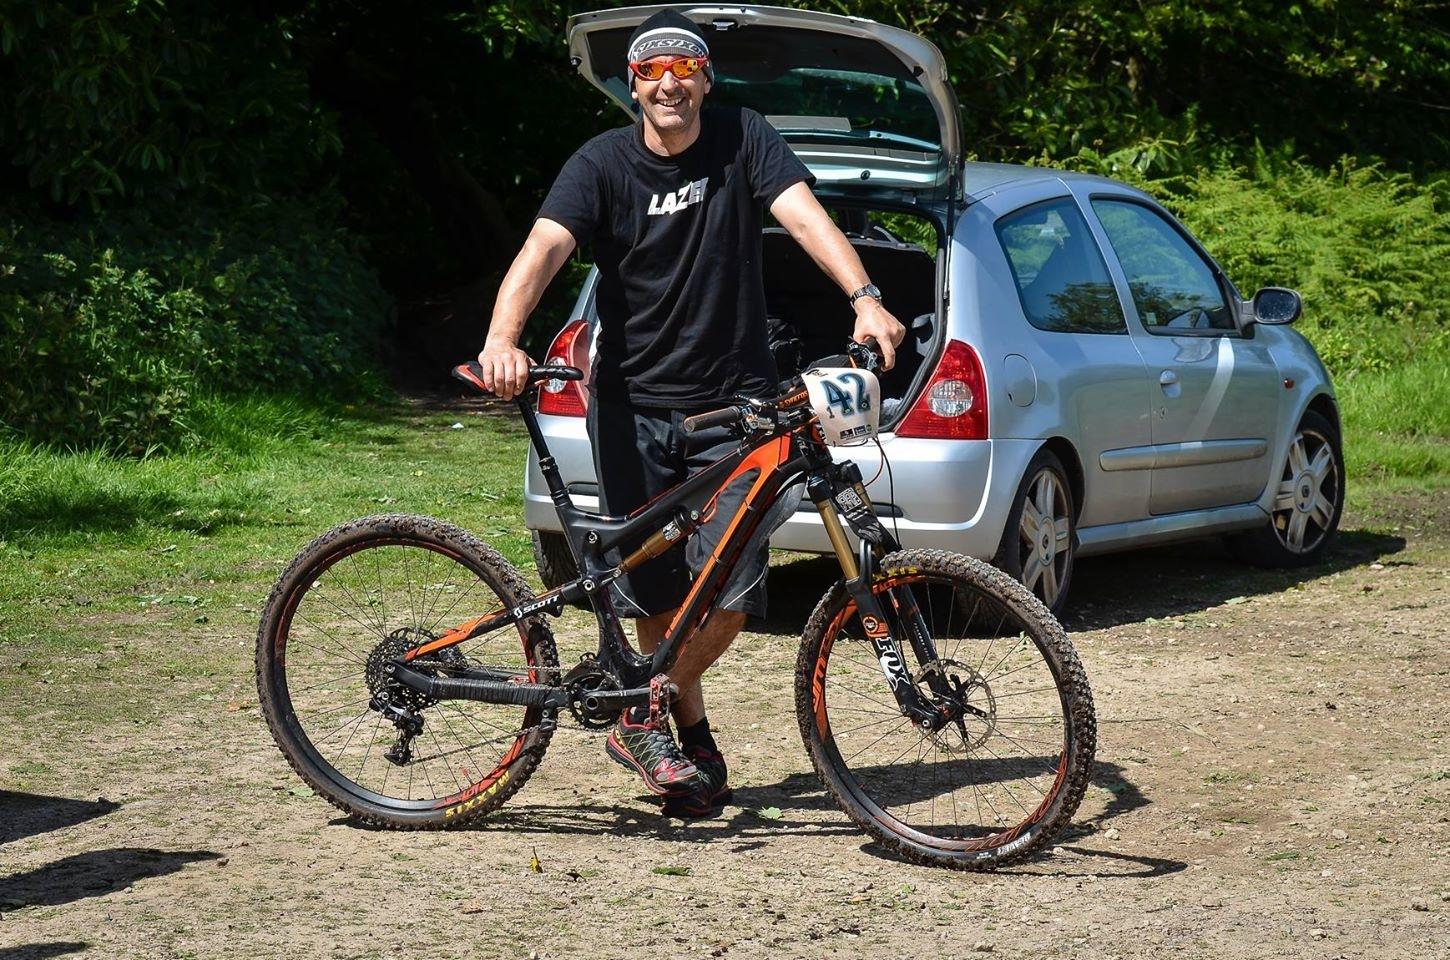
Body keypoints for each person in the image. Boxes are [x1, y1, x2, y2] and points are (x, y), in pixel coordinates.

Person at [476, 10, 905, 816]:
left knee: (732, 592)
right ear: (633, 86)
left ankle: (642, 709)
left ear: (706, 79)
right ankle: (680, 733)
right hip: (631, 406)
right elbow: (544, 249)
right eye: (650, 71)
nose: (668, 83)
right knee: (660, 591)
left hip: (734, 405)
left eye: (684, 68)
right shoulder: (601, 163)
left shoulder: (743, 138)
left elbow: (805, 213)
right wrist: (504, 338)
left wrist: (868, 297)